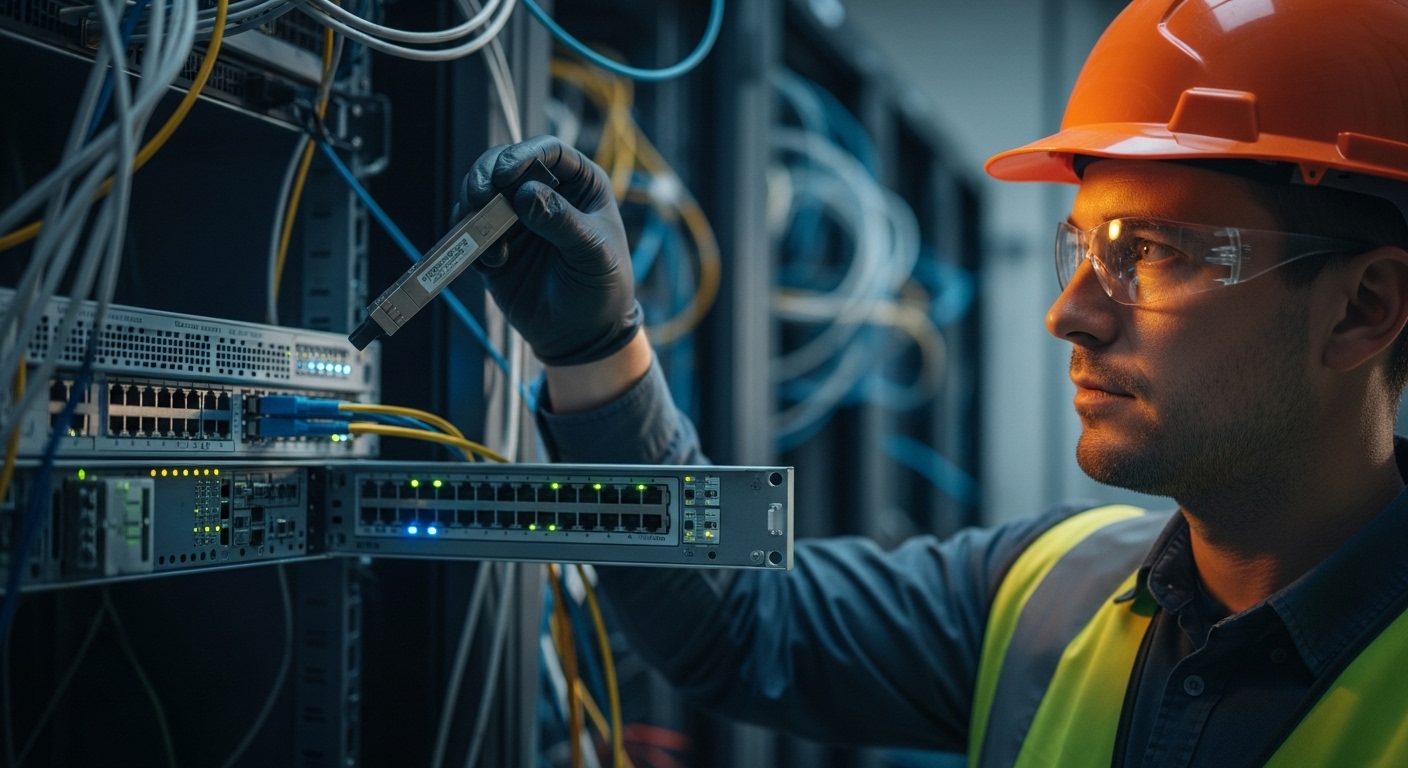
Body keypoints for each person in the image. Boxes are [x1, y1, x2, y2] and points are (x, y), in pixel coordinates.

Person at [460, 0, 1408, 764]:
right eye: (1078, 248)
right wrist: (598, 347)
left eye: (1151, 252)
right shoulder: (1050, 592)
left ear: (1364, 306)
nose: (1069, 313)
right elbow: (732, 622)